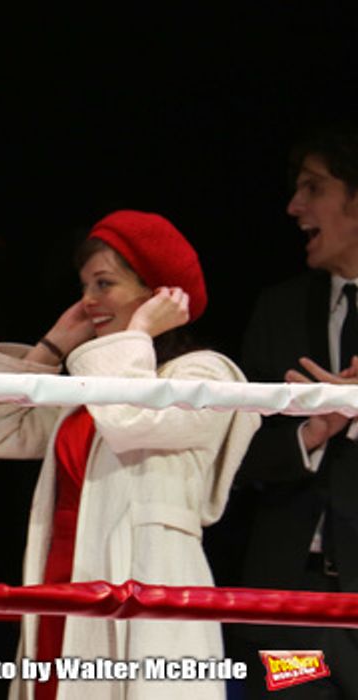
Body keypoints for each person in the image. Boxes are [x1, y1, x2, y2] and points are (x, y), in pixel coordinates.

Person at [0, 210, 260, 700]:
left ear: (160, 294)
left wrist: (137, 333)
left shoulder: (206, 374)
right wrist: (53, 345)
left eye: (104, 283)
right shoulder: (93, 388)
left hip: (147, 585)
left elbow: (130, 420)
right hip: (64, 578)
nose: (87, 300)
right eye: (83, 286)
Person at [230, 123, 358, 698]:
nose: (294, 207)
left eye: (314, 188)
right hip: (291, 608)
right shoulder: (277, 310)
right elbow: (236, 453)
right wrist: (313, 431)